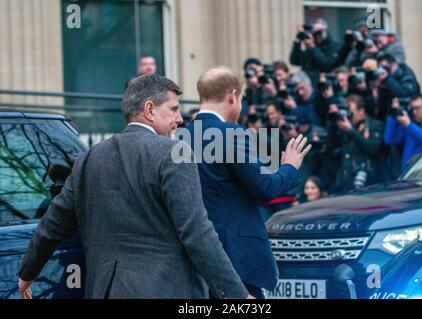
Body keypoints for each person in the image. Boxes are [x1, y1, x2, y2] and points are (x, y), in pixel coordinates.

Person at [18, 74, 252, 299]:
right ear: (150, 110)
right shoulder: (174, 154)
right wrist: (237, 294)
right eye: (173, 109)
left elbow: (53, 224)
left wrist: (27, 273)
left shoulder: (89, 159)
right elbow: (198, 234)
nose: (180, 119)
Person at [186, 66, 312, 299]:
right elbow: (264, 188)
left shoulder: (181, 136)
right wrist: (290, 167)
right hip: (237, 256)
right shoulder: (232, 134)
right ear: (232, 96)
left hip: (197, 256)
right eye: (241, 98)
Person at [290, 19, 340, 86]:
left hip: (325, 84)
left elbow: (327, 65)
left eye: (319, 33)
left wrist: (312, 47)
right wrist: (298, 41)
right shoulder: (312, 48)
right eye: (315, 33)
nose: (317, 36)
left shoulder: (334, 46)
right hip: (308, 84)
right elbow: (294, 60)